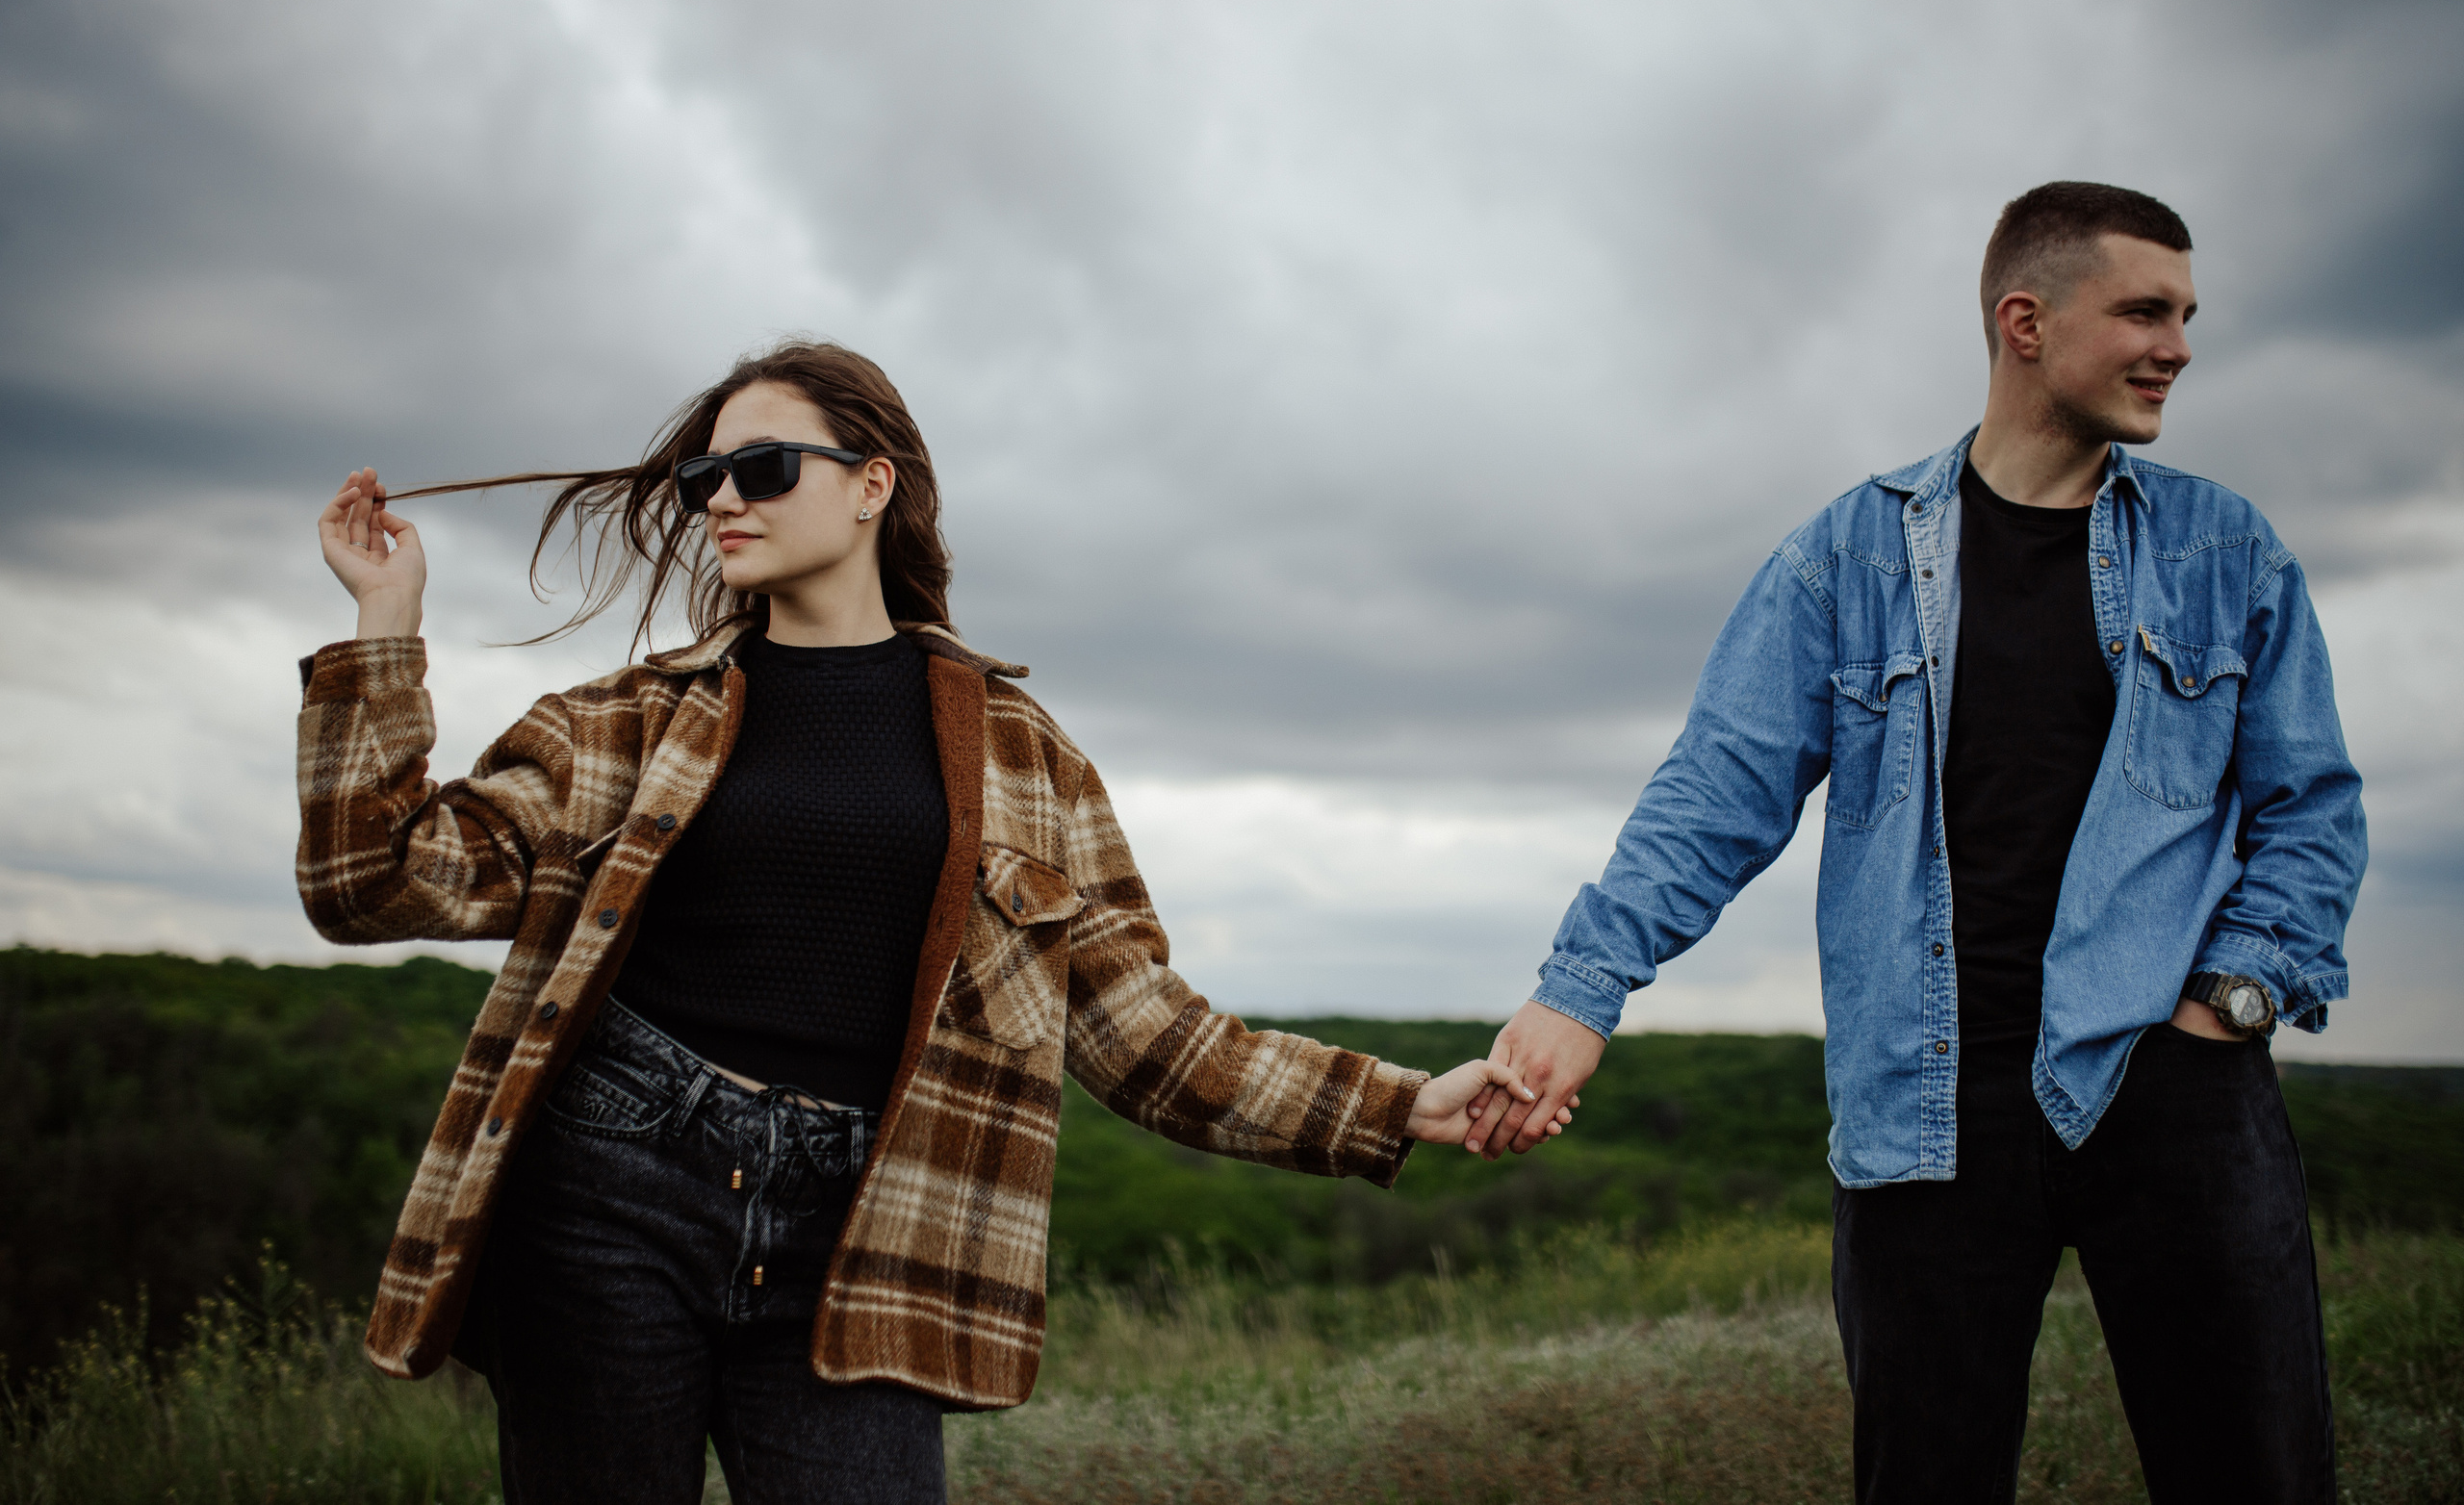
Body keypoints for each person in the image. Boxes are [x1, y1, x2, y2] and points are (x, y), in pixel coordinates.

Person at [299, 341, 1571, 1505]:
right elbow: (374, 881)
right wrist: (385, 625)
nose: (722, 499)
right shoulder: (627, 721)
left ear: (872, 486)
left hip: (873, 1217)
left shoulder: (1024, 759)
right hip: (613, 1184)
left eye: (763, 466)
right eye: (704, 476)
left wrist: (1398, 1105)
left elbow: (1145, 1033)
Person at [1465, 182, 2367, 1502]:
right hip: (1926, 1110)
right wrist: (1575, 995)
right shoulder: (1849, 561)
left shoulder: (2227, 551)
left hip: (2172, 1091)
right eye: (2144, 311)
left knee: (2256, 1476)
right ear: (2025, 321)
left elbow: (2312, 808)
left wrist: (2227, 1005)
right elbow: (1715, 795)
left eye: (2186, 314)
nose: (2178, 344)